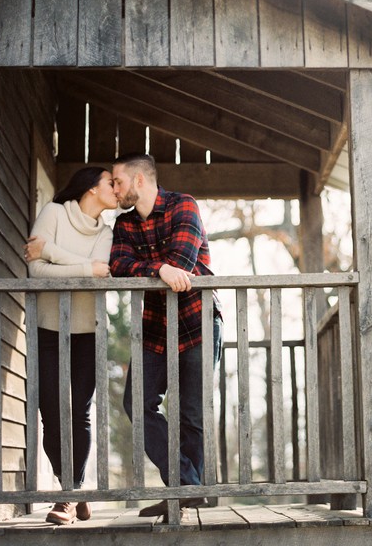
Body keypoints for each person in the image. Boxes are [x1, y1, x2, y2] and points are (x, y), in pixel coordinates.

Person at [109, 153, 222, 518]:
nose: (114, 189)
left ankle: (184, 493)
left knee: (191, 413)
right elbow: (119, 266)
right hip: (155, 327)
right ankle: (187, 485)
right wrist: (158, 268)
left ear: (139, 181)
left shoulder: (182, 206)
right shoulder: (124, 224)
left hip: (197, 321)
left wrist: (163, 268)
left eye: (118, 182)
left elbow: (183, 261)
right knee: (136, 405)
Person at [24, 167, 117, 525]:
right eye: (111, 182)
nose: (116, 188)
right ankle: (74, 491)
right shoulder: (54, 213)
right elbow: (37, 272)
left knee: (79, 411)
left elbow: (102, 271)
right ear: (92, 187)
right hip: (48, 328)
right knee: (51, 411)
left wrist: (51, 252)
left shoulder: (106, 232)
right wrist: (84, 266)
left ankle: (68, 493)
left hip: (88, 331)